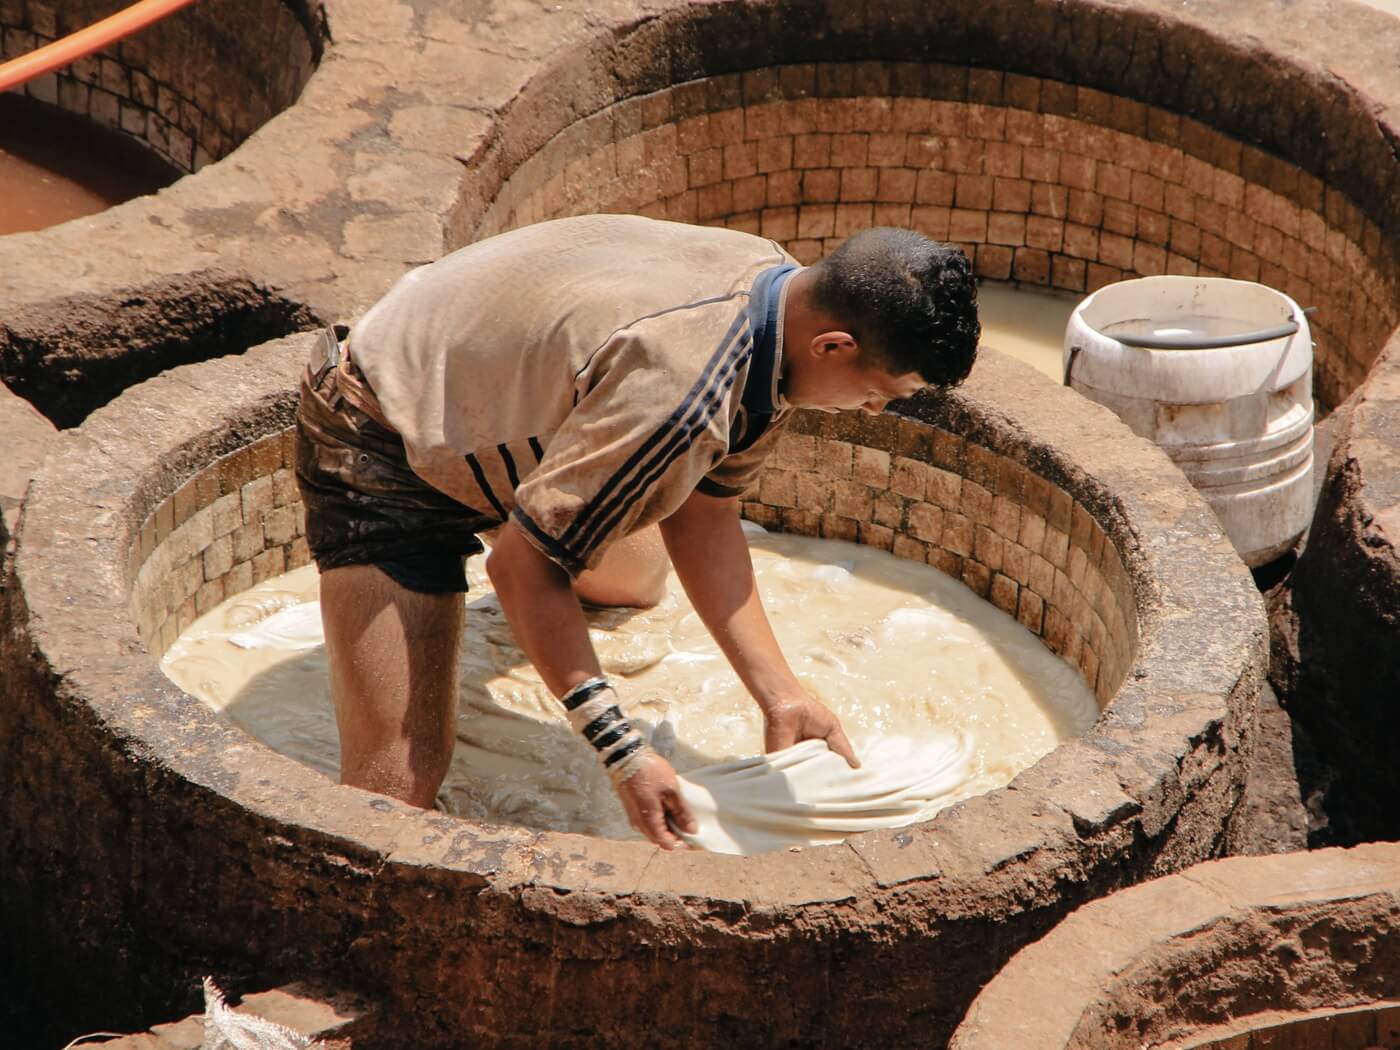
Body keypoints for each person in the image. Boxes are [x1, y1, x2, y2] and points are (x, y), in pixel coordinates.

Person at [293, 214, 980, 850]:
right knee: (395, 789)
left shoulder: (779, 295)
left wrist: (781, 693)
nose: (872, 412)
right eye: (881, 394)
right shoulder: (681, 390)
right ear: (833, 345)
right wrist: (620, 749)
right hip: (381, 428)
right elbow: (519, 570)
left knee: (635, 578)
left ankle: (534, 512)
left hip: (509, 403)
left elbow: (705, 511)